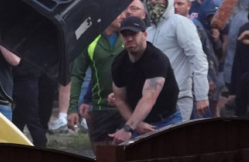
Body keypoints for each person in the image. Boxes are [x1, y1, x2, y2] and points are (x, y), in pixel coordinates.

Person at [109, 16, 181, 144]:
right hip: (137, 122)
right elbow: (119, 100)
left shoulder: (156, 59)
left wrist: (128, 127)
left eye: (134, 34)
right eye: (125, 35)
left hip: (167, 119)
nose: (129, 38)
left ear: (145, 35)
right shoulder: (118, 63)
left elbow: (148, 99)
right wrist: (136, 124)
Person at [144, 0, 209, 121]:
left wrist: (202, 95)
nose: (152, 3)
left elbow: (198, 58)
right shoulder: (148, 32)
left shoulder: (180, 23)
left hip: (179, 98)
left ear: (168, 1)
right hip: (153, 101)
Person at [67, 13, 125, 152]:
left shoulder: (129, 36)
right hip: (100, 108)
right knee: (102, 159)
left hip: (126, 108)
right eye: (118, 12)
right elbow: (77, 75)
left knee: (126, 158)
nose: (123, 16)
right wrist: (73, 108)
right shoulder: (90, 39)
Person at [174, 0, 222, 117]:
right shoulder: (169, 28)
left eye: (180, 4)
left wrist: (208, 78)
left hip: (197, 85)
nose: (176, 7)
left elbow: (204, 55)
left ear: (189, 6)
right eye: (173, 4)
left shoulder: (194, 26)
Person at [12, 61, 48, 147]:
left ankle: (41, 145)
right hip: (31, 76)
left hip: (24, 78)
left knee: (31, 119)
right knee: (20, 118)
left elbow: (14, 61)